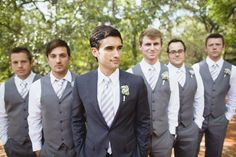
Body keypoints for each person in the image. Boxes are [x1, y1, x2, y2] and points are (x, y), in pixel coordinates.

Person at [71, 25, 150, 157]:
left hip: (128, 152)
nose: (117, 54)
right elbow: (76, 121)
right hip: (92, 152)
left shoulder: (136, 83)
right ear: (95, 52)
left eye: (119, 48)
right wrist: (81, 152)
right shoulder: (81, 83)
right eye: (109, 48)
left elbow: (143, 121)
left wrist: (140, 153)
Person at [127, 28, 179, 157]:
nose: (152, 48)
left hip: (163, 137)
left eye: (155, 44)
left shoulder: (171, 73)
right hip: (137, 136)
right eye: (147, 44)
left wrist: (171, 133)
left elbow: (173, 105)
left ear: (161, 46)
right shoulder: (130, 74)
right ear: (141, 47)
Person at [28, 39, 77, 157]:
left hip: (78, 151)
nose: (58, 60)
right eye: (53, 56)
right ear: (48, 59)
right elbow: (34, 119)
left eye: (62, 56)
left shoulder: (81, 83)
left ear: (69, 58)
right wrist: (37, 148)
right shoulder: (36, 86)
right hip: (49, 152)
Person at [193, 33, 236, 157]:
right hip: (198, 118)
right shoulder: (196, 68)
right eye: (211, 45)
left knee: (214, 154)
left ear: (223, 47)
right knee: (191, 152)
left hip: (219, 120)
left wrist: (227, 116)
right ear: (206, 48)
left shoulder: (233, 70)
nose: (214, 47)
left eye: (218, 44)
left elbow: (233, 96)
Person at [166, 39, 204, 157]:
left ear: (184, 53)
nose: (177, 54)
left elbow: (199, 99)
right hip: (165, 130)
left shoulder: (195, 72)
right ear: (168, 54)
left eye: (180, 51)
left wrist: (197, 123)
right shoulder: (161, 73)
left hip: (189, 129)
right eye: (173, 52)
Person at [0, 47, 41, 157]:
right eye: (15, 62)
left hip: (42, 145)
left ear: (31, 62)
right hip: (14, 146)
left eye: (23, 61)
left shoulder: (43, 83)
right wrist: (5, 141)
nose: (19, 66)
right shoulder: (3, 88)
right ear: (11, 64)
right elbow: (2, 117)